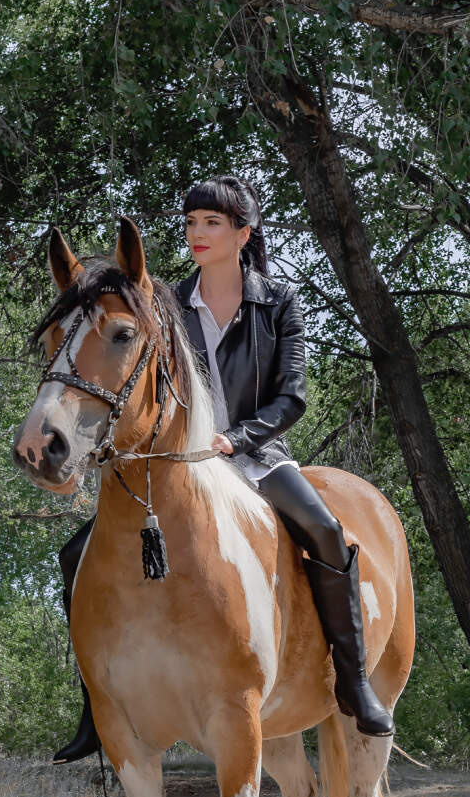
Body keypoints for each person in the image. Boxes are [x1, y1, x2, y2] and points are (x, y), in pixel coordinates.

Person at [53, 175, 394, 762]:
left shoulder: (278, 302)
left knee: (326, 532)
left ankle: (354, 681)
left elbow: (292, 399)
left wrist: (234, 440)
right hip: (179, 463)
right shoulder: (164, 304)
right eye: (191, 223)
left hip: (257, 458)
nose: (198, 233)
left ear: (243, 233)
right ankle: (94, 707)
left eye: (212, 223)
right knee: (74, 553)